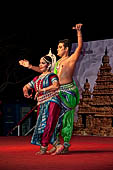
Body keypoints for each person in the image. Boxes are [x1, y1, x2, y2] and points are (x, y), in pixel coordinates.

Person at [19, 23, 83, 154]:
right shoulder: (57, 63)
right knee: (52, 117)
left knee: (66, 119)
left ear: (66, 49)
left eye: (60, 47)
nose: (57, 49)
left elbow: (79, 47)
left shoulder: (70, 60)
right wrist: (30, 66)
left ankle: (64, 144)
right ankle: (55, 143)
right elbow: (44, 72)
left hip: (68, 93)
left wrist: (78, 32)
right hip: (57, 91)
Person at [22, 55, 61, 155]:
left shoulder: (52, 76)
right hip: (41, 103)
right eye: (39, 63)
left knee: (49, 123)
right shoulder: (37, 78)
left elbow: (56, 85)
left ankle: (43, 147)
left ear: (48, 65)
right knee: (41, 125)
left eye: (42, 63)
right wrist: (25, 91)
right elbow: (26, 86)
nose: (40, 65)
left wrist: (42, 90)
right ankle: (57, 144)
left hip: (52, 100)